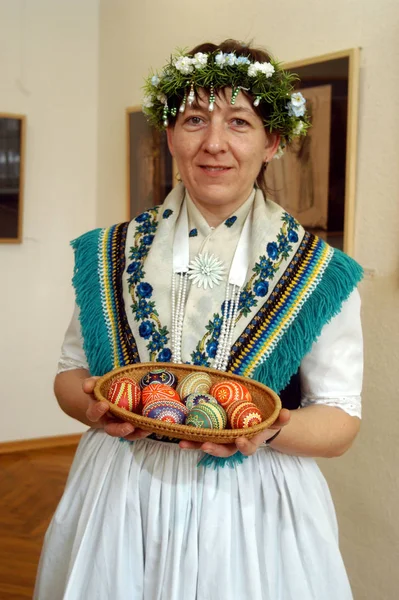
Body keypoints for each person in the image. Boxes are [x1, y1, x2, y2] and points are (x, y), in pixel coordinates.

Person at [34, 39, 363, 600]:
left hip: (256, 515)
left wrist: (268, 428)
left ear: (273, 142)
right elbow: (71, 374)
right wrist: (93, 405)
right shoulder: (108, 252)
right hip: (121, 498)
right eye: (194, 119)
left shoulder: (318, 272)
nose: (214, 144)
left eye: (239, 122)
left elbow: (340, 421)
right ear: (169, 134)